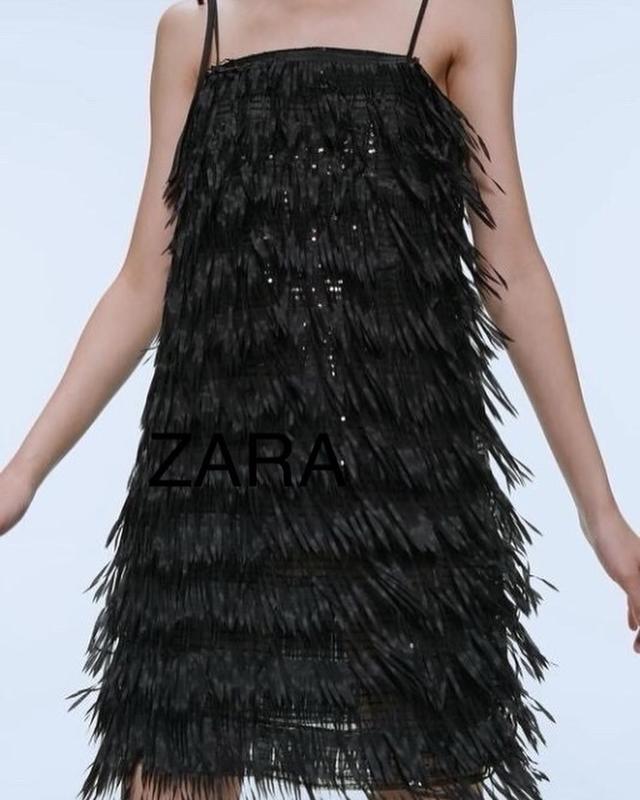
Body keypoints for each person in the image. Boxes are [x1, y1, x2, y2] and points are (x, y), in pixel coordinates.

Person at [2, 2, 639, 800]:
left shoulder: (458, 12)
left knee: (423, 768)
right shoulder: (194, 30)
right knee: (173, 768)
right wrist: (21, 474)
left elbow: (510, 267)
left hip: (401, 471)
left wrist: (601, 517)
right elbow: (144, 281)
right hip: (219, 475)